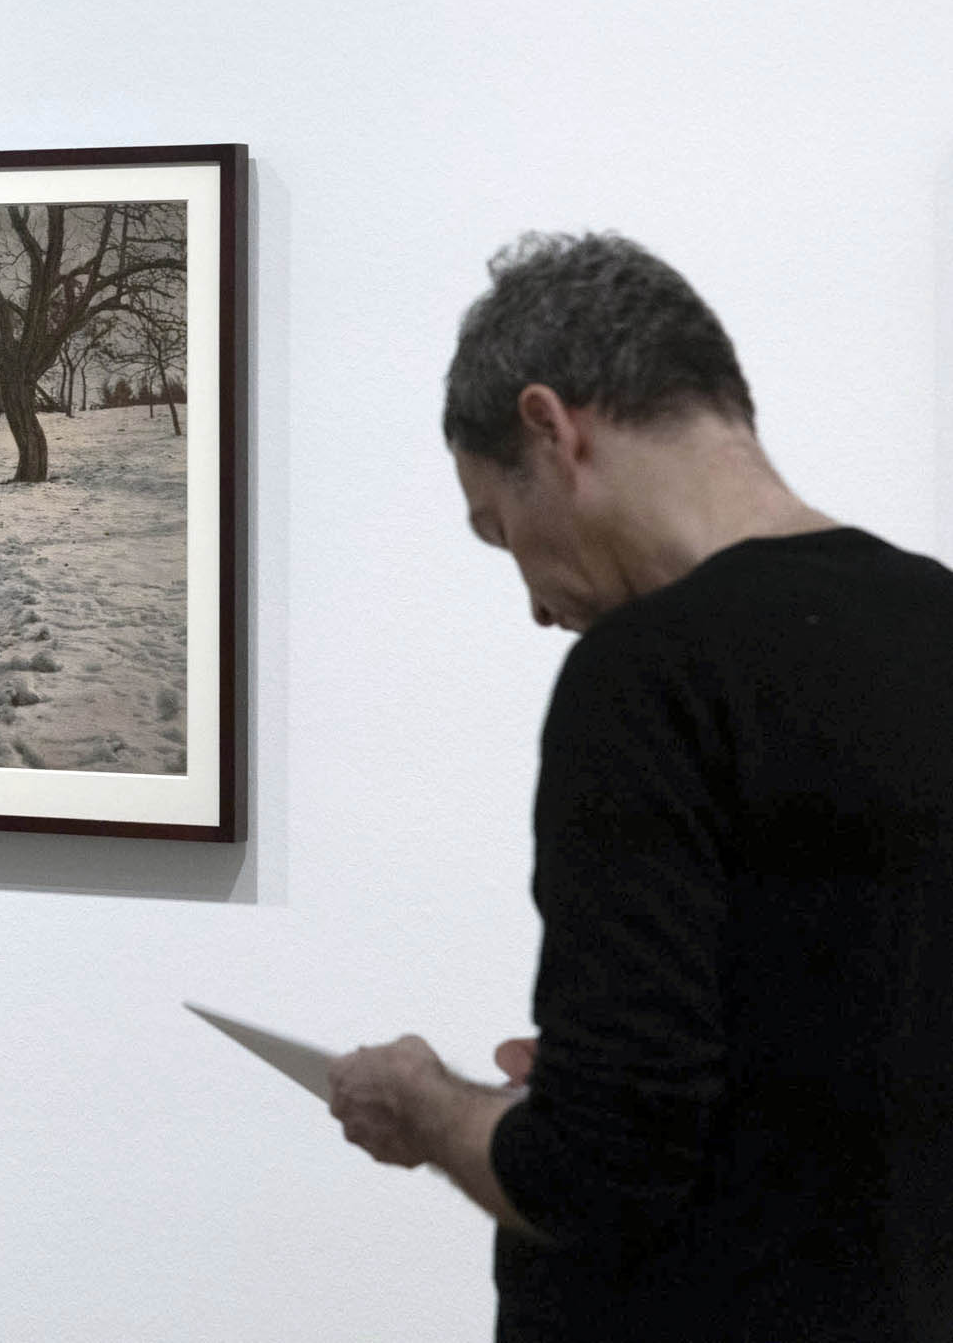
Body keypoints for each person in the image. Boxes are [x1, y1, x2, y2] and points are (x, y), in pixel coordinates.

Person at [325, 232, 953, 1341]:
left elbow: (595, 1171)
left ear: (550, 428)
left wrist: (426, 1106)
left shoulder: (645, 675)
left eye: (498, 529)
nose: (529, 600)